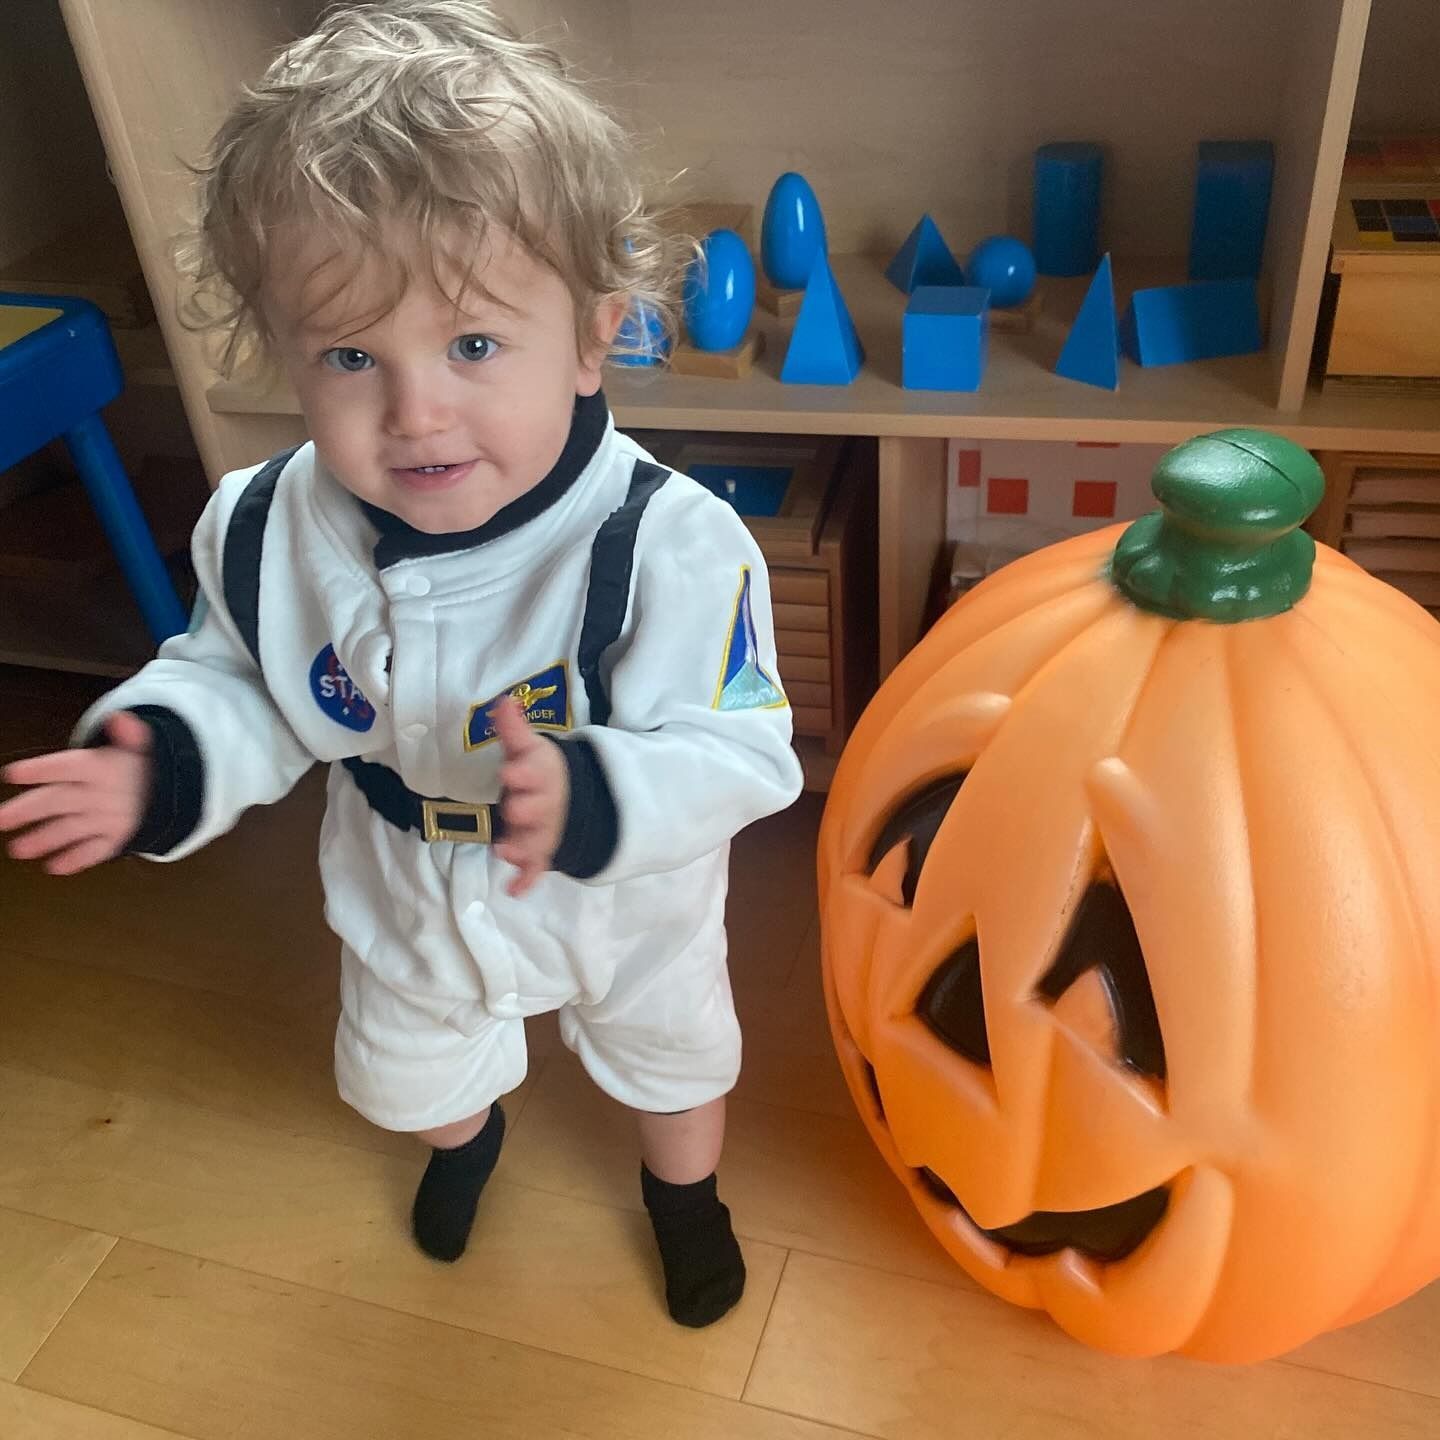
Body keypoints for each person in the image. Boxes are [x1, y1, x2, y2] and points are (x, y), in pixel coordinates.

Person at [0, 0, 802, 1329]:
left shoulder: (668, 542)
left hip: (623, 896)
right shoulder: (265, 526)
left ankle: (685, 1199)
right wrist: (165, 757)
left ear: (598, 334)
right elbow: (242, 678)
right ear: (278, 346)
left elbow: (744, 747)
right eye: (351, 356)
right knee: (416, 1072)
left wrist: (606, 793)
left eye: (475, 346)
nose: (415, 411)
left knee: (670, 1059)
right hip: (404, 874)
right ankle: (466, 1138)